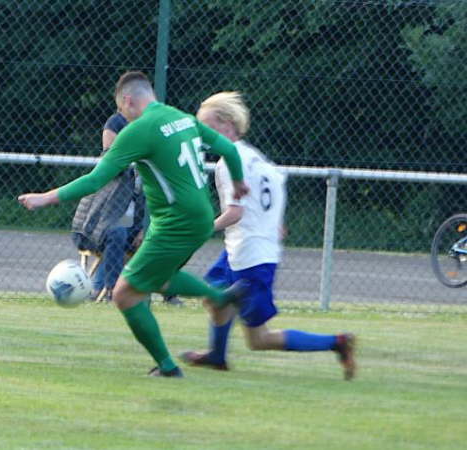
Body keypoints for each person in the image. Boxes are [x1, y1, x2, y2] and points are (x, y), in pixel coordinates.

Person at [19, 71, 249, 377]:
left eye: (120, 110)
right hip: (199, 217)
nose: (121, 117)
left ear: (127, 101)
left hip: (176, 224)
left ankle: (169, 365)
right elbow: (230, 150)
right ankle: (222, 298)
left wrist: (46, 198)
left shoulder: (139, 130)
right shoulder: (180, 117)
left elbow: (97, 178)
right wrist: (238, 184)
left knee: (125, 293)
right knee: (159, 279)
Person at [179, 92, 357, 380]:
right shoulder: (256, 157)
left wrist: (202, 229)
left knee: (258, 339)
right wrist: (275, 221)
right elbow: (276, 186)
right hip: (242, 249)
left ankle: (337, 342)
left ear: (226, 124)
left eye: (206, 127)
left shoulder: (228, 162)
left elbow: (235, 213)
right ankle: (217, 355)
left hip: (251, 256)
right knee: (213, 292)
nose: (201, 136)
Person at [72, 111, 183, 305]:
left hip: (130, 224)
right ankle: (109, 290)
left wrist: (142, 228)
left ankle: (169, 293)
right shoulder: (112, 170)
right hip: (97, 226)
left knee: (161, 234)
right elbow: (104, 212)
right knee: (117, 233)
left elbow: (147, 206)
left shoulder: (147, 171)